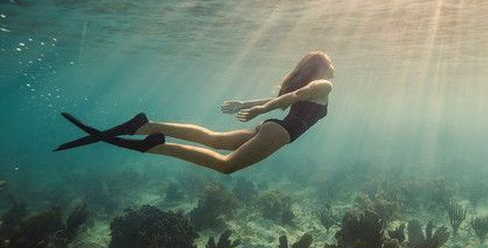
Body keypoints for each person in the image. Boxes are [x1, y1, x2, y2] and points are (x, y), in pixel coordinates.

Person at [54, 51, 334, 175]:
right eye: (330, 61)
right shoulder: (324, 84)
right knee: (225, 166)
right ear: (320, 67)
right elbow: (294, 96)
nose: (334, 65)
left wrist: (246, 104)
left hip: (273, 127)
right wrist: (258, 108)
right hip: (278, 132)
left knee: (213, 139)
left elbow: (286, 97)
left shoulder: (312, 85)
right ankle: (156, 147)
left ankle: (146, 125)